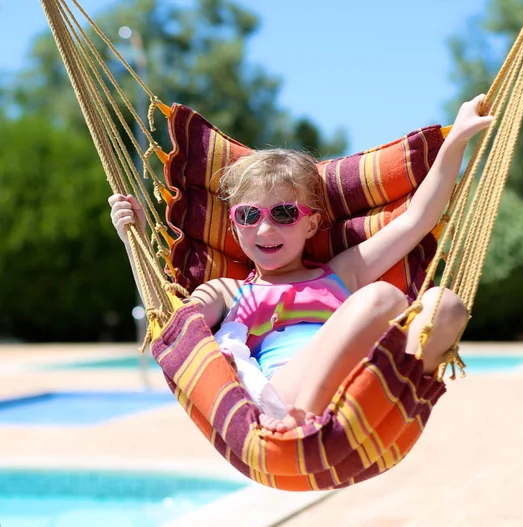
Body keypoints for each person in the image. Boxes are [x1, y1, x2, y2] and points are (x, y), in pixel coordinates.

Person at [109, 94, 493, 433]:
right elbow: (172, 325)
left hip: (362, 394)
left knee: (446, 307)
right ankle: (305, 419)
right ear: (233, 225)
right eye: (248, 216)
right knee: (383, 299)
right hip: (282, 398)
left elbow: (417, 219)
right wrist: (135, 241)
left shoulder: (343, 273)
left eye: (283, 213)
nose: (264, 228)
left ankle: (387, 404)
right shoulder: (229, 292)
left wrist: (456, 140)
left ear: (311, 223)